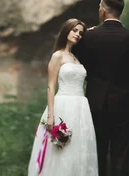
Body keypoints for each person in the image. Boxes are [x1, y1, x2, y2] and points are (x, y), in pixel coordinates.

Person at [73, 0, 129, 176]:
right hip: (124, 103)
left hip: (95, 102)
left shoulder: (90, 37)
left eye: (100, 7)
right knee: (121, 154)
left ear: (104, 10)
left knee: (97, 153)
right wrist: (123, 82)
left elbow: (78, 66)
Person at [27, 19, 99, 176]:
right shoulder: (57, 56)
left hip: (81, 108)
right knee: (60, 151)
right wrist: (51, 116)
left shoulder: (77, 57)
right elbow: (50, 87)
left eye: (80, 33)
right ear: (66, 31)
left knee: (78, 149)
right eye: (74, 30)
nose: (77, 34)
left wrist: (91, 32)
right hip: (63, 106)